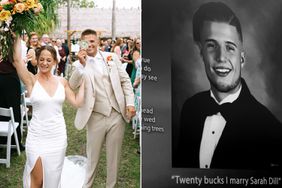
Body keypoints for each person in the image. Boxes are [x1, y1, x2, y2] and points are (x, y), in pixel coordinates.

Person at [173, 2, 282, 170]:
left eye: (230, 48)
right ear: (201, 52)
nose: (221, 57)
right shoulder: (190, 108)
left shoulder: (269, 127)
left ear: (242, 58)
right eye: (211, 45)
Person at [12, 36, 85, 188]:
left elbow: (78, 102)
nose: (45, 63)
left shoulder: (62, 82)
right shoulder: (31, 80)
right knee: (37, 180)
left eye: (49, 60)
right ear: (37, 60)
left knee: (51, 180)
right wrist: (16, 37)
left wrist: (86, 75)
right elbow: (17, 61)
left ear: (55, 62)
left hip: (57, 137)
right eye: (42, 59)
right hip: (37, 136)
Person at [69, 29, 136, 188]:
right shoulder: (77, 64)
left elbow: (125, 82)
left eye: (93, 41)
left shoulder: (111, 57)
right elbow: (72, 85)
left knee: (114, 160)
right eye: (86, 42)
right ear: (81, 44)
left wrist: (130, 103)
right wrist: (81, 65)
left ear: (98, 42)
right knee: (92, 159)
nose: (90, 44)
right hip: (95, 117)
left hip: (116, 115)